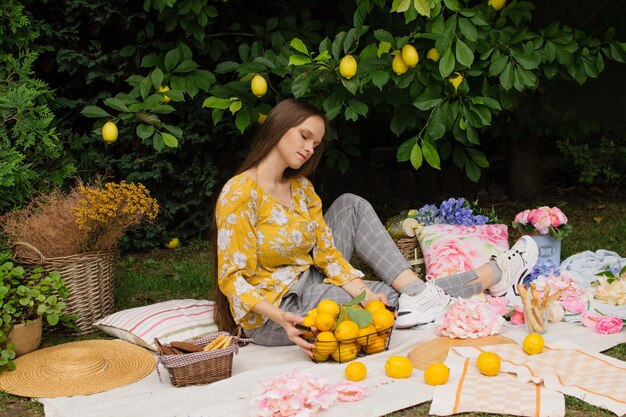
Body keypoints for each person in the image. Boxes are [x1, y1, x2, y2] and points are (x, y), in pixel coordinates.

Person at [212, 99, 538, 356]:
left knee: (351, 206)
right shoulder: (240, 193)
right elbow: (231, 277)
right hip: (277, 312)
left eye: (316, 142)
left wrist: (363, 294)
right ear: (278, 127)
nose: (310, 148)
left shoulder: (301, 190)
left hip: (307, 277)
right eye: (304, 136)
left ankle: (416, 293)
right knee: (387, 299)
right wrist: (282, 318)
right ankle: (493, 274)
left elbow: (327, 256)